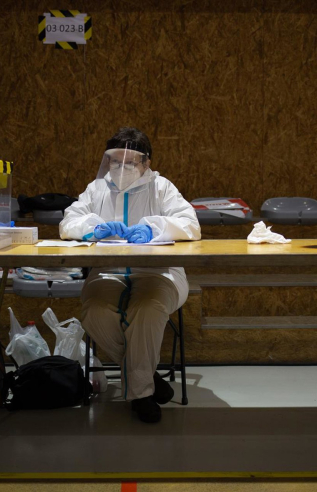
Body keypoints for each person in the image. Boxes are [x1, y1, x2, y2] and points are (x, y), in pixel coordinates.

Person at [60, 127, 201, 423]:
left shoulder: (161, 187)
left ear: (146, 163)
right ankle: (145, 378)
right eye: (115, 160)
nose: (121, 167)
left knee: (147, 308)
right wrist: (93, 228)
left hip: (159, 273)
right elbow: (68, 221)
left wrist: (155, 228)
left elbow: (190, 224)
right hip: (107, 272)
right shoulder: (97, 189)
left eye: (130, 162)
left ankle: (142, 394)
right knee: (94, 311)